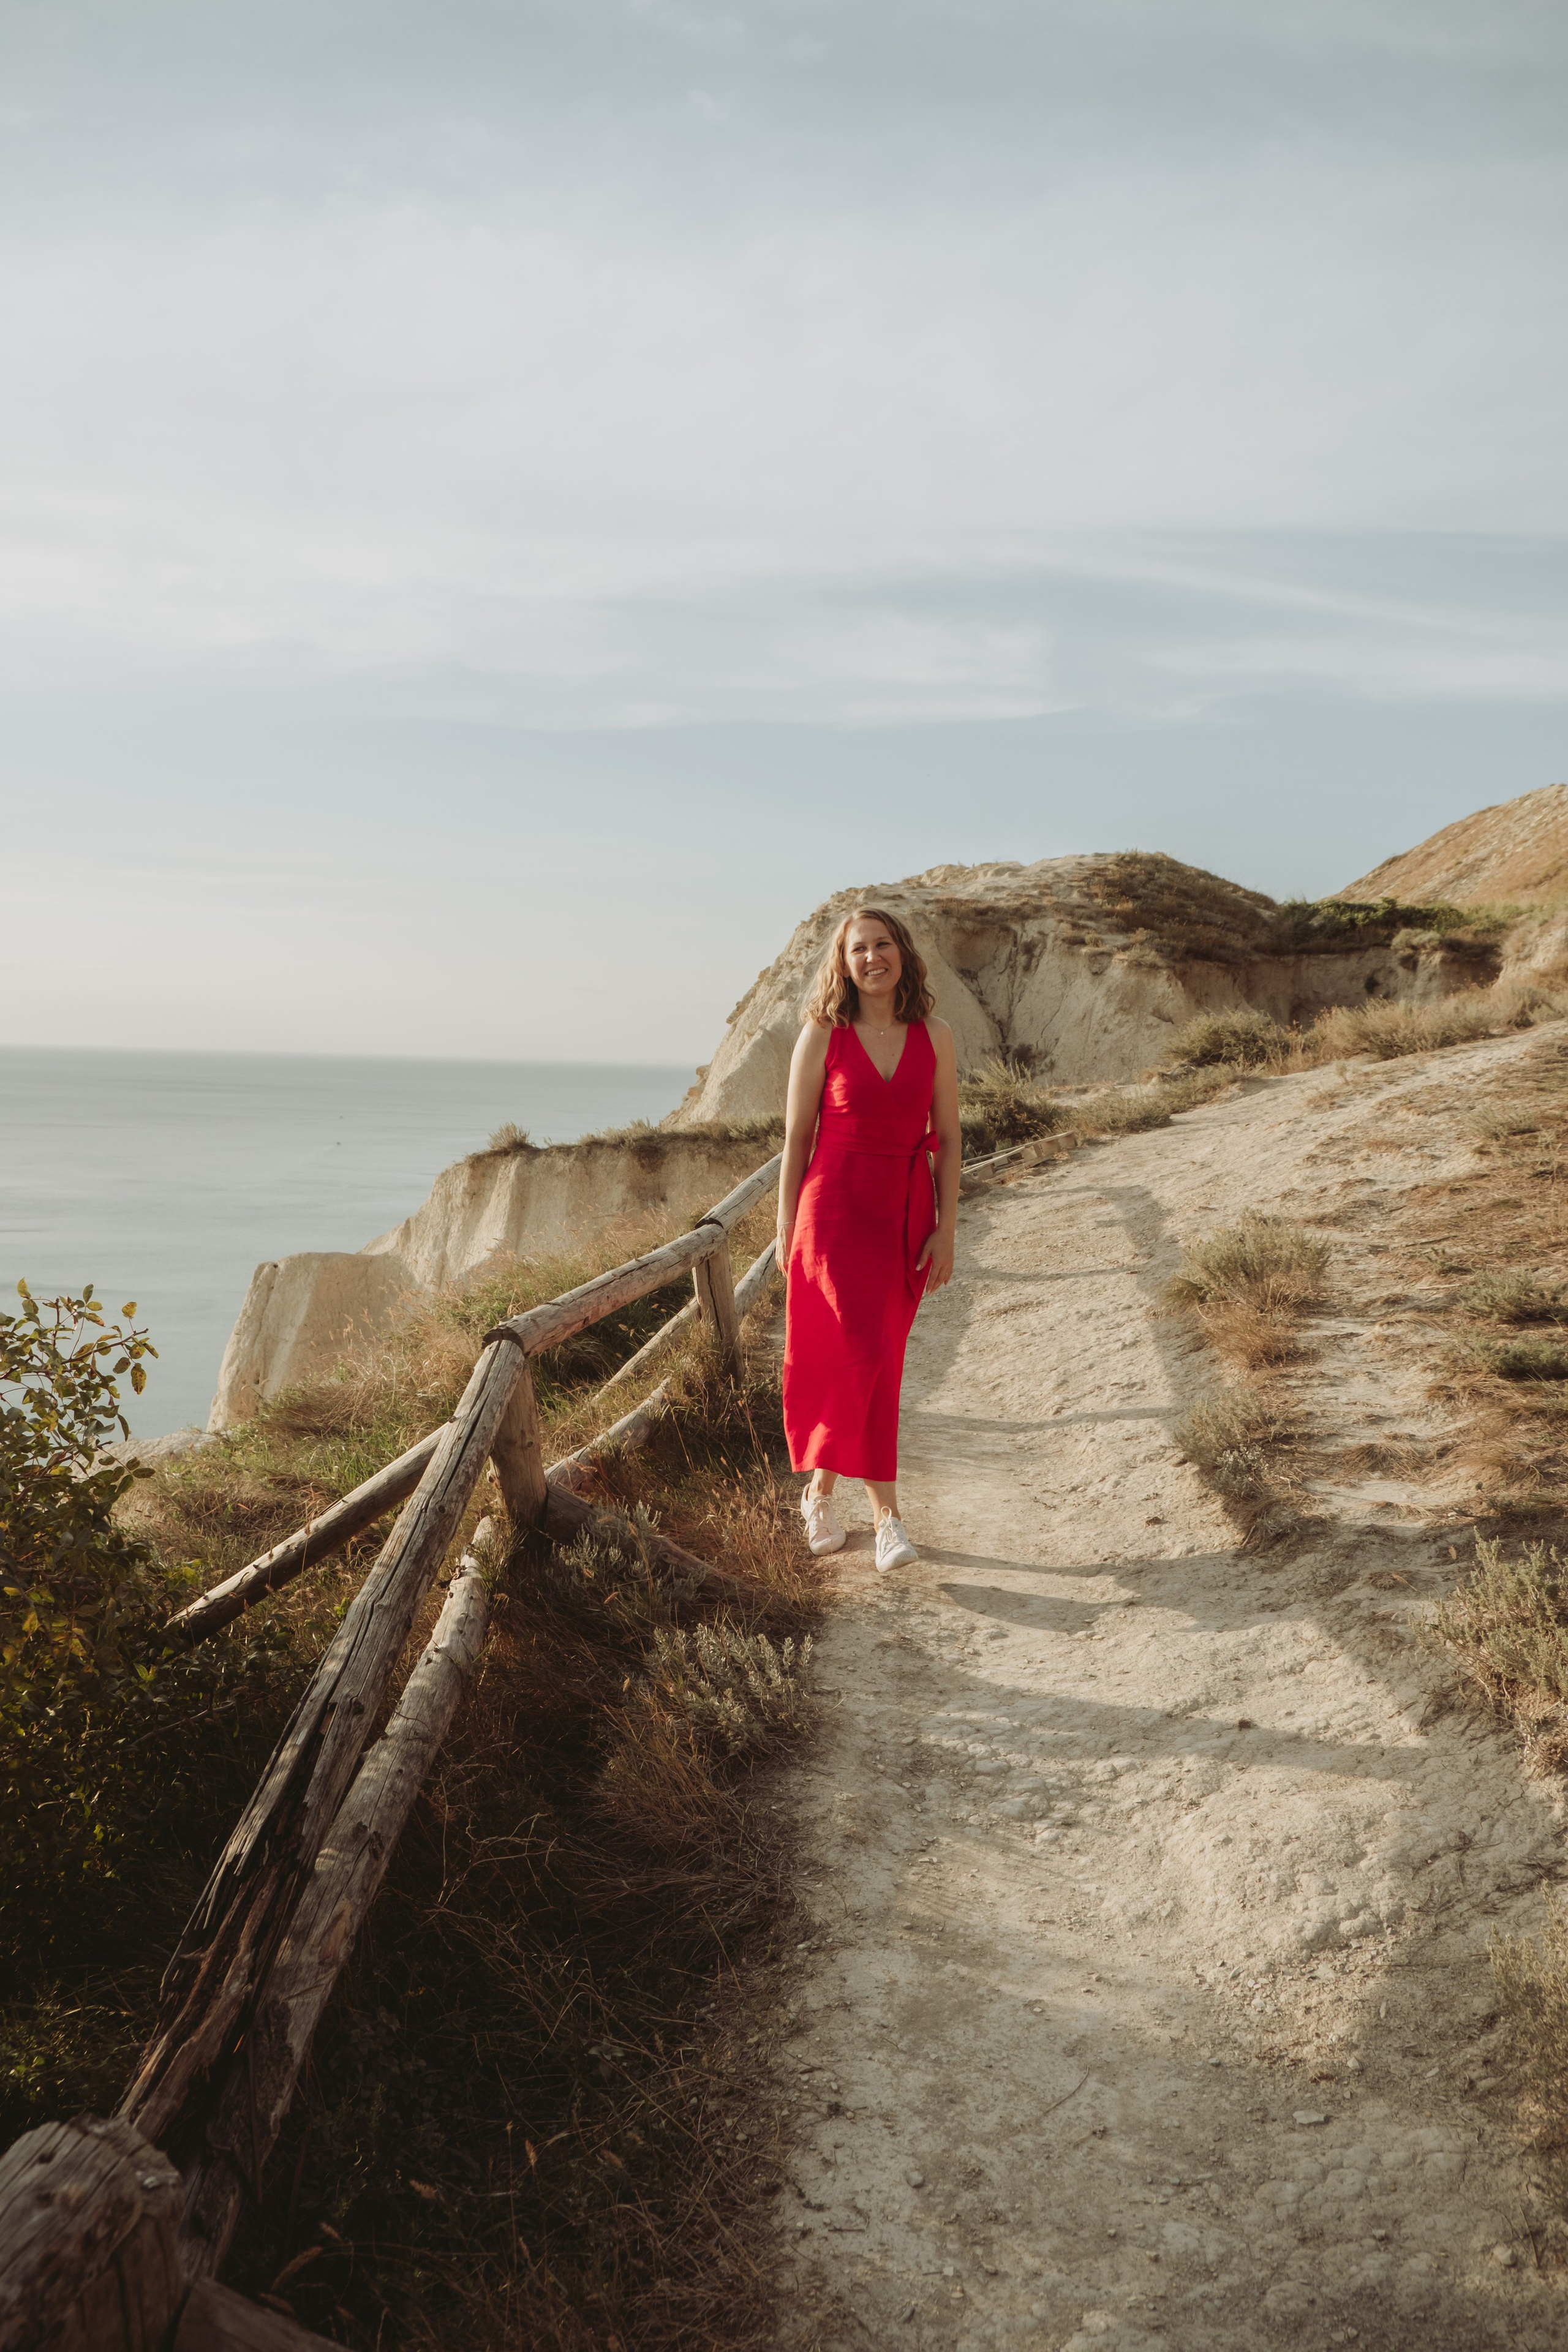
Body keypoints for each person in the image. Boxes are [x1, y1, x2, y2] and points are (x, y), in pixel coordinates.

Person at [775, 905, 962, 1570]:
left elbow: (948, 1137)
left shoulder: (934, 1034)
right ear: (843, 962)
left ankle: (818, 1492)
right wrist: (783, 1228)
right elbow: (797, 1139)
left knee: (876, 1355)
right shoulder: (822, 1034)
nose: (872, 958)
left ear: (902, 953)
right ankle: (888, 1520)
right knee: (855, 1352)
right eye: (859, 949)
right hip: (830, 1213)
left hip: (904, 1213)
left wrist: (946, 1227)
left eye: (883, 945)